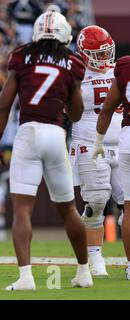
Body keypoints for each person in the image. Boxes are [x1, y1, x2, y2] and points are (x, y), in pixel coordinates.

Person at [0, 9, 92, 291]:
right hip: (56, 135)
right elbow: (78, 113)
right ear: (64, 35)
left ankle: (26, 277)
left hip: (28, 133)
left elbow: (4, 105)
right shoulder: (72, 62)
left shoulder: (22, 56)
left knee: (22, 209)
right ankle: (84, 272)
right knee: (69, 209)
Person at [70, 25, 123, 277]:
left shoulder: (119, 71)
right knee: (97, 200)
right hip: (90, 143)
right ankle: (95, 257)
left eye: (106, 52)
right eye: (98, 54)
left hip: (122, 143)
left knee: (128, 203)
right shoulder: (76, 74)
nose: (104, 58)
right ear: (84, 52)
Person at [93, 53, 130, 281]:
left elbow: (107, 109)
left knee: (129, 206)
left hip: (128, 139)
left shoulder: (125, 66)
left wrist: (97, 142)